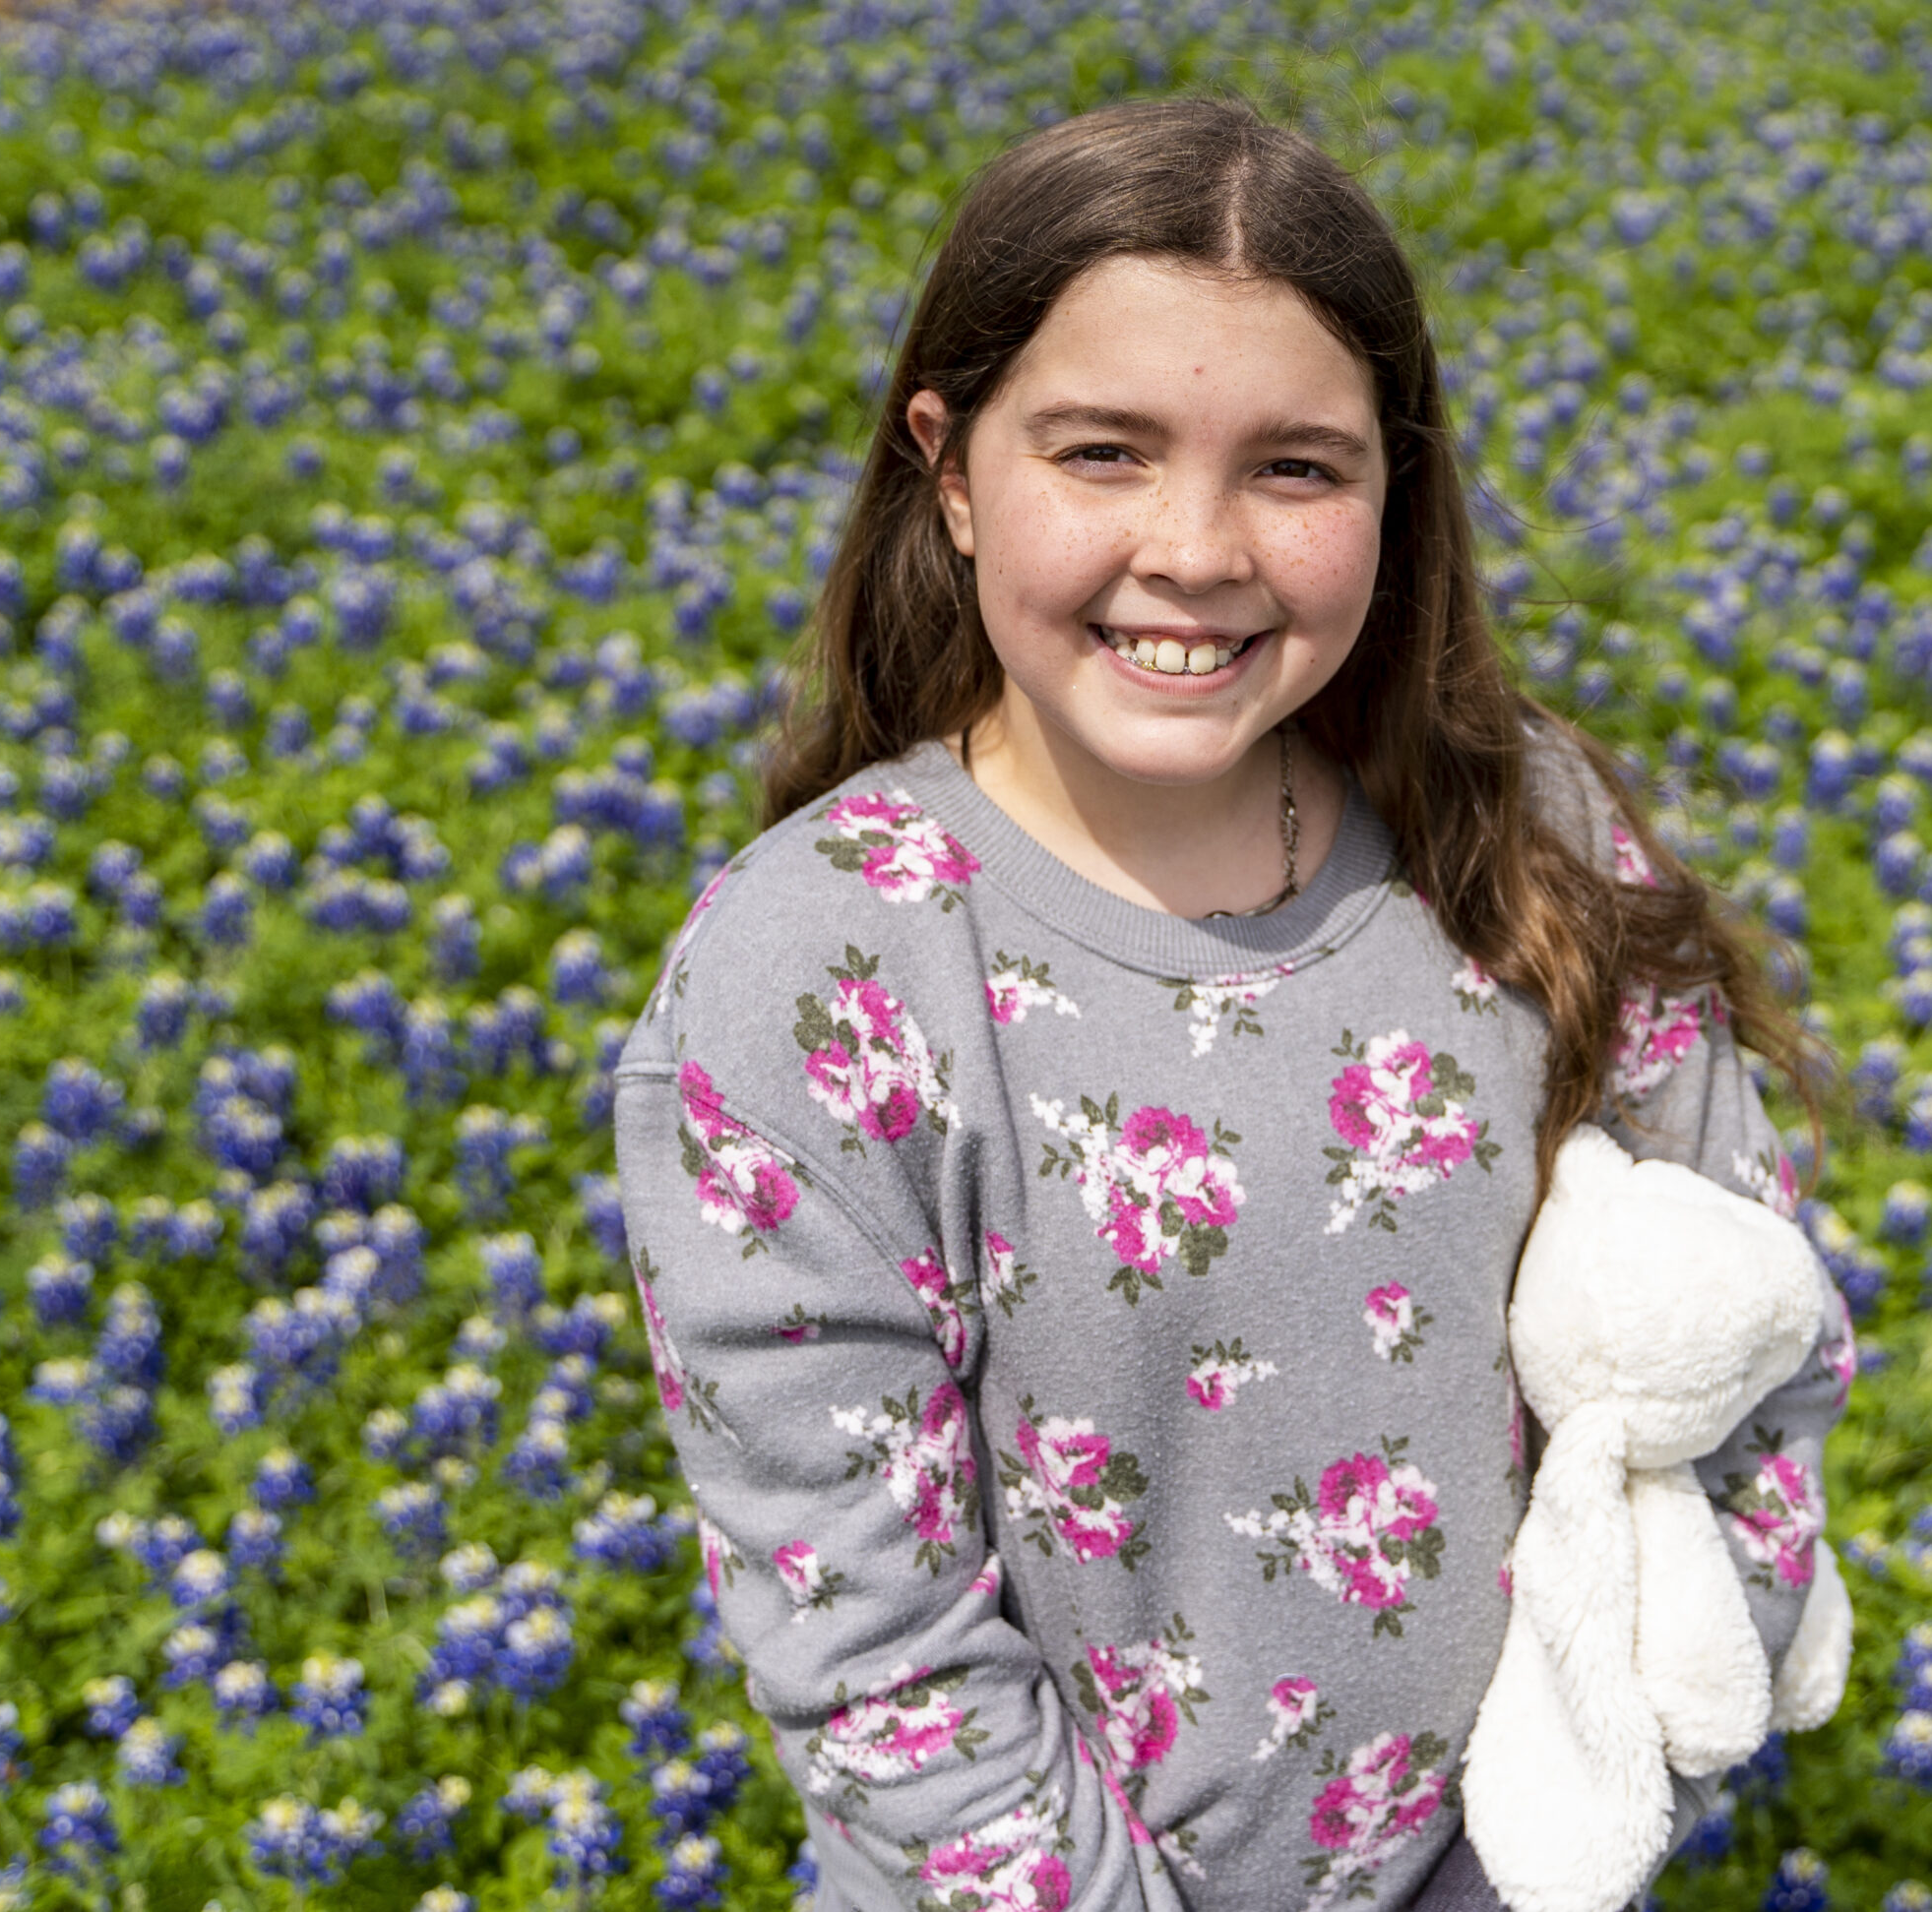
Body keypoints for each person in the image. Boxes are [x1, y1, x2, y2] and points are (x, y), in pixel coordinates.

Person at [611, 93, 1855, 1912]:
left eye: (1296, 467)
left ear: (1392, 490)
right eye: (1101, 452)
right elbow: (877, 1648)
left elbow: (1747, 1332)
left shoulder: (1522, 836)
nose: (1195, 547)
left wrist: (1603, 1778)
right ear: (949, 469)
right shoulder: (818, 973)